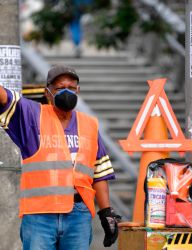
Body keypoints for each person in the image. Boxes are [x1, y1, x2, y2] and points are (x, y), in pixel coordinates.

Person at [0, 64, 121, 250]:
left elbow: (100, 173)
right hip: (40, 214)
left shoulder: (89, 125)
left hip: (78, 215)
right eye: (60, 88)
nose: (67, 92)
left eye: (72, 88)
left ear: (78, 91)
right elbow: (4, 97)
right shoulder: (32, 115)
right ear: (48, 93)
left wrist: (106, 212)